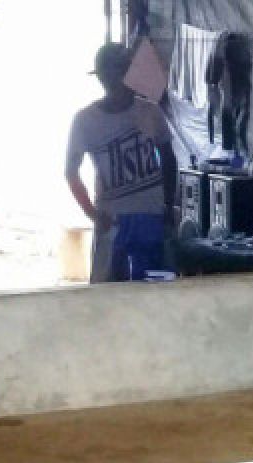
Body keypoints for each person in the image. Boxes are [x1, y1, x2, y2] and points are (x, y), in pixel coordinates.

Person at [66, 43, 177, 283]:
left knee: (153, 291)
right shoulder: (86, 121)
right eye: (112, 72)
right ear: (103, 77)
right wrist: (92, 213)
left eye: (123, 69)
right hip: (112, 220)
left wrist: (168, 206)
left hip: (150, 214)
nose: (119, 77)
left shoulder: (150, 112)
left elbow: (169, 159)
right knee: (109, 295)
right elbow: (71, 172)